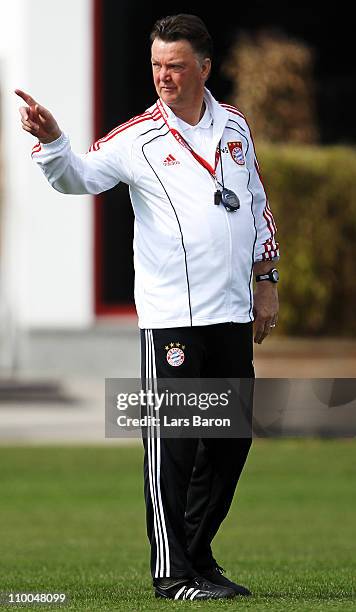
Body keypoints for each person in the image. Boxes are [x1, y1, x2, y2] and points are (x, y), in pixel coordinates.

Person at [16, 14, 279, 601]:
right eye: (157, 65)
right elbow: (76, 178)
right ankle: (173, 575)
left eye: (176, 66)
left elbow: (257, 204)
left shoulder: (235, 128)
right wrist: (54, 140)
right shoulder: (137, 138)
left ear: (204, 69)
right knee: (174, 447)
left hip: (232, 314)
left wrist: (267, 278)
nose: (164, 76)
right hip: (172, 322)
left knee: (231, 444)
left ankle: (198, 557)